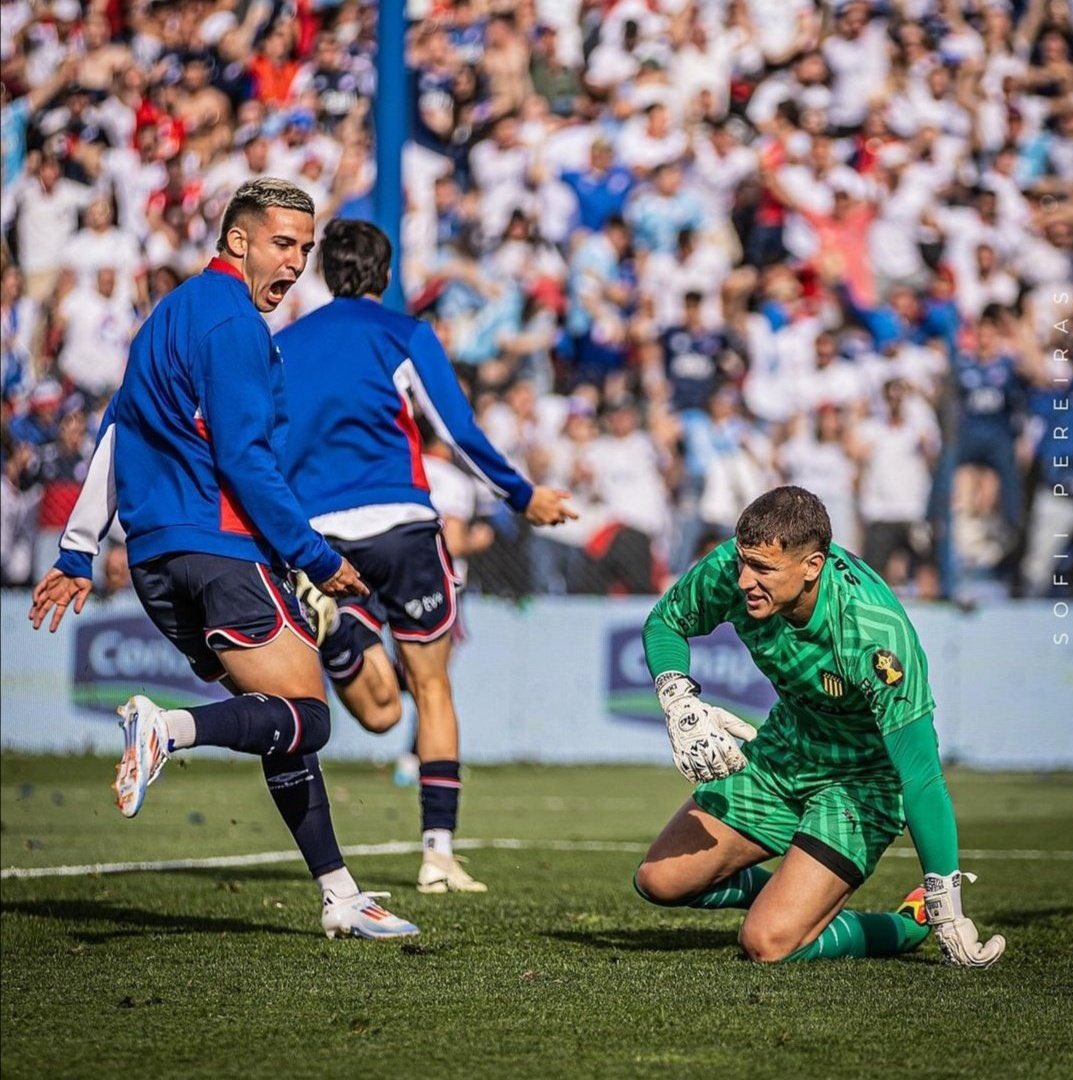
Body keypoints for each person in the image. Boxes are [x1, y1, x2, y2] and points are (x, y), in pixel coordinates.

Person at [27, 178, 419, 942]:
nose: (298, 263)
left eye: (306, 249)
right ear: (237, 240)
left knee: (280, 722)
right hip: (219, 547)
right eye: (283, 244)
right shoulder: (234, 324)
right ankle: (165, 731)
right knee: (307, 718)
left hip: (156, 562)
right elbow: (243, 459)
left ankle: (339, 893)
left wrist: (78, 551)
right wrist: (314, 557)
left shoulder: (165, 316)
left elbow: (115, 434)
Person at [275, 219, 576, 894]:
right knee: (429, 689)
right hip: (402, 527)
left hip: (317, 537)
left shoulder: (283, 347)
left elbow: (259, 448)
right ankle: (438, 853)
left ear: (322, 274)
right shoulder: (404, 334)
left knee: (378, 711)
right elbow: (457, 429)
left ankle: (341, 632)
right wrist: (522, 495)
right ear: (385, 277)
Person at [634, 486, 1005, 968]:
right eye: (744, 562)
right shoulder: (736, 565)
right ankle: (797, 901)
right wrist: (677, 699)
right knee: (658, 880)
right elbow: (665, 621)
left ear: (812, 566)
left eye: (763, 569)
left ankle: (906, 925)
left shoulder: (874, 636)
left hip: (861, 783)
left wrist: (945, 903)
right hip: (787, 749)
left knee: (766, 943)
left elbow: (922, 776)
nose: (744, 580)